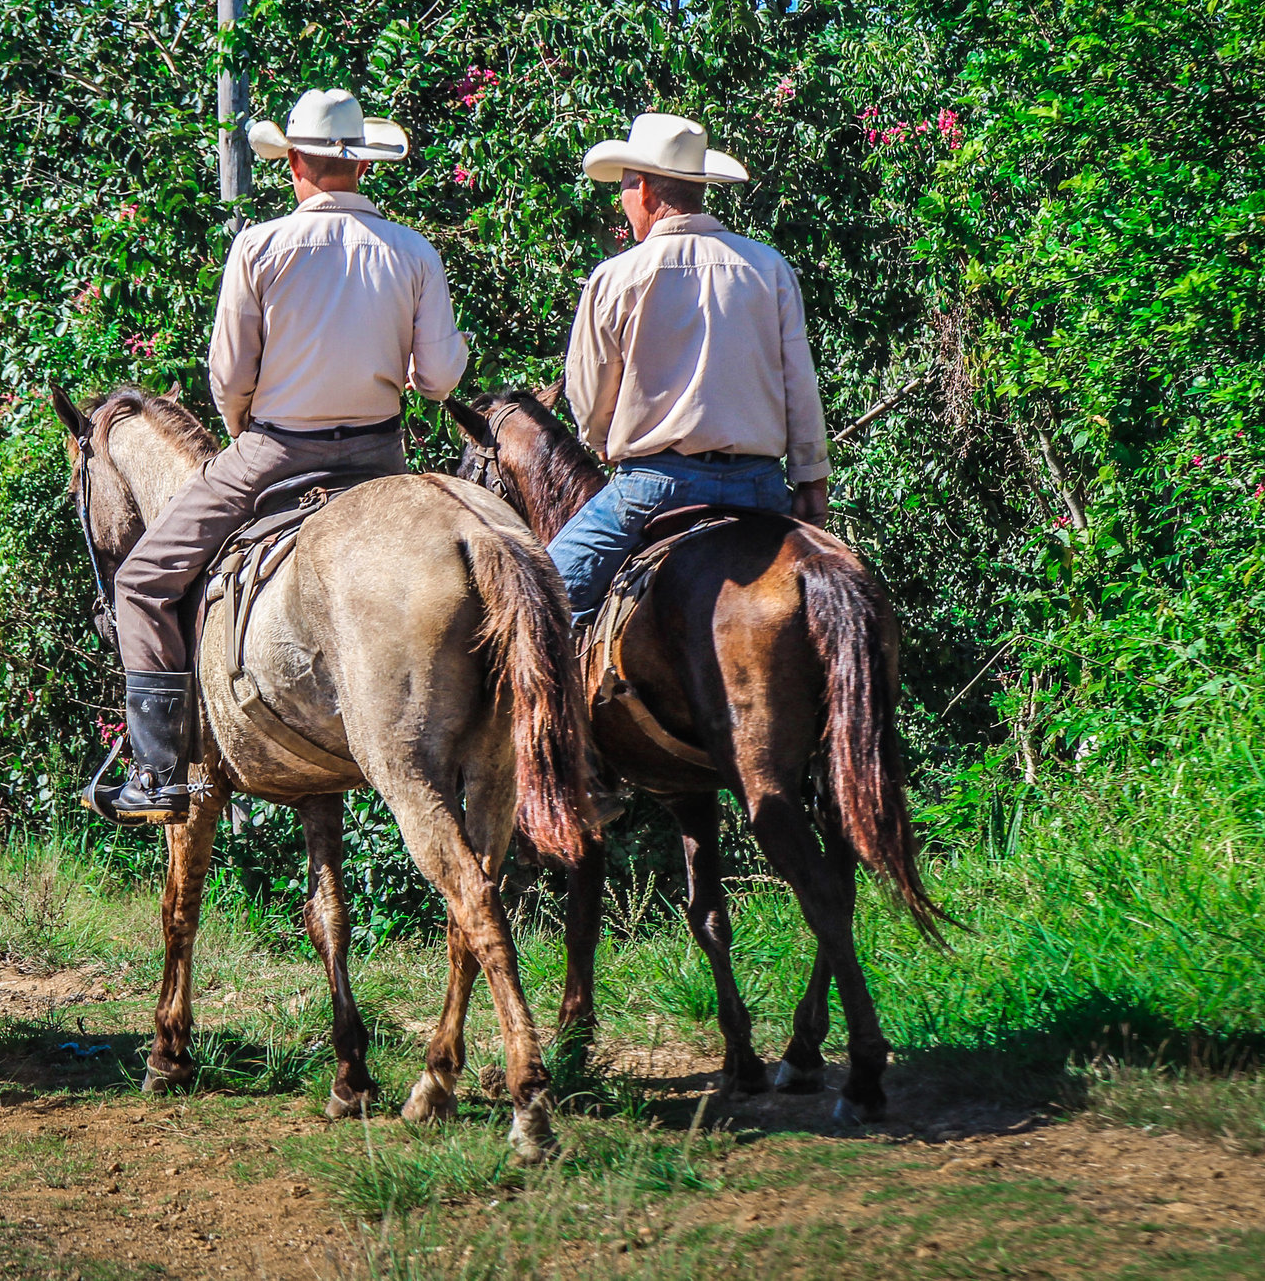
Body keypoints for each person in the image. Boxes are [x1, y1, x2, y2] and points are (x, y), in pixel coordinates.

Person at [101, 88, 467, 825]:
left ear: (294, 162)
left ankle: (158, 771)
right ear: (361, 164)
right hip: (380, 460)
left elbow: (229, 376)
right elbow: (442, 380)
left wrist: (244, 430)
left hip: (273, 453)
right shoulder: (414, 251)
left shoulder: (260, 246)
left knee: (141, 579)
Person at [548, 112, 832, 624]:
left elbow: (590, 401)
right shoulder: (769, 267)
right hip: (760, 488)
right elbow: (800, 385)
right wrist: (810, 480)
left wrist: (602, 443)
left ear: (647, 194)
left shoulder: (617, 277)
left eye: (625, 188)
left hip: (654, 487)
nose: (622, 200)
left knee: (543, 602)